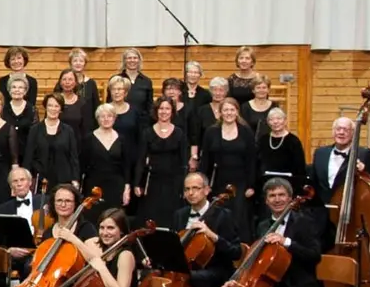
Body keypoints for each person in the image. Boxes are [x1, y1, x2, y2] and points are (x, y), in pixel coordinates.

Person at [171, 173, 244, 287]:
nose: (191, 193)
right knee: (158, 276)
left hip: (219, 270)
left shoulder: (223, 215)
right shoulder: (180, 215)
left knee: (198, 279)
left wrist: (212, 236)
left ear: (206, 190)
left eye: (195, 188)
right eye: (187, 189)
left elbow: (236, 251)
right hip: (189, 267)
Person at [200, 99, 257, 234]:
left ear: (237, 112)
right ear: (220, 113)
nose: (229, 113)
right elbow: (205, 160)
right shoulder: (211, 132)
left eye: (232, 110)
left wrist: (251, 186)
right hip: (218, 181)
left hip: (241, 182)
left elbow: (252, 160)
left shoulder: (246, 131)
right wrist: (203, 184)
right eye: (225, 110)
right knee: (218, 217)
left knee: (239, 217)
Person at [134, 97, 189, 229]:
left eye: (167, 108)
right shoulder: (147, 132)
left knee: (171, 217)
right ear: (156, 111)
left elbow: (184, 161)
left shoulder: (180, 133)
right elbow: (141, 160)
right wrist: (137, 183)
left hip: (174, 182)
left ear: (172, 111)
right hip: (152, 182)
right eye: (161, 108)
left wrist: (184, 185)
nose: (164, 111)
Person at [25, 92, 80, 193]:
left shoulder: (68, 130)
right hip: (41, 180)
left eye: (56, 106)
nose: (53, 109)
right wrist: (27, 179)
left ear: (61, 109)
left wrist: (75, 179)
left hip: (63, 180)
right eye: (50, 105)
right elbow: (28, 157)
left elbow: (73, 157)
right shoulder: (35, 129)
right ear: (45, 107)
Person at [81, 104, 132, 212]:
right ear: (97, 119)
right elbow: (82, 164)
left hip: (116, 186)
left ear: (114, 118)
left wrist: (127, 188)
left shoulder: (122, 139)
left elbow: (127, 165)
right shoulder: (88, 139)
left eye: (109, 116)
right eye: (102, 116)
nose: (106, 119)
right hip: (94, 186)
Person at [116, 48, 153, 117]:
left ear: (139, 60)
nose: (132, 60)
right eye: (129, 58)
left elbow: (150, 106)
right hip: (121, 120)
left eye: (135, 58)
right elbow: (110, 103)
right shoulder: (116, 80)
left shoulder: (147, 81)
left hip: (141, 122)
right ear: (124, 61)